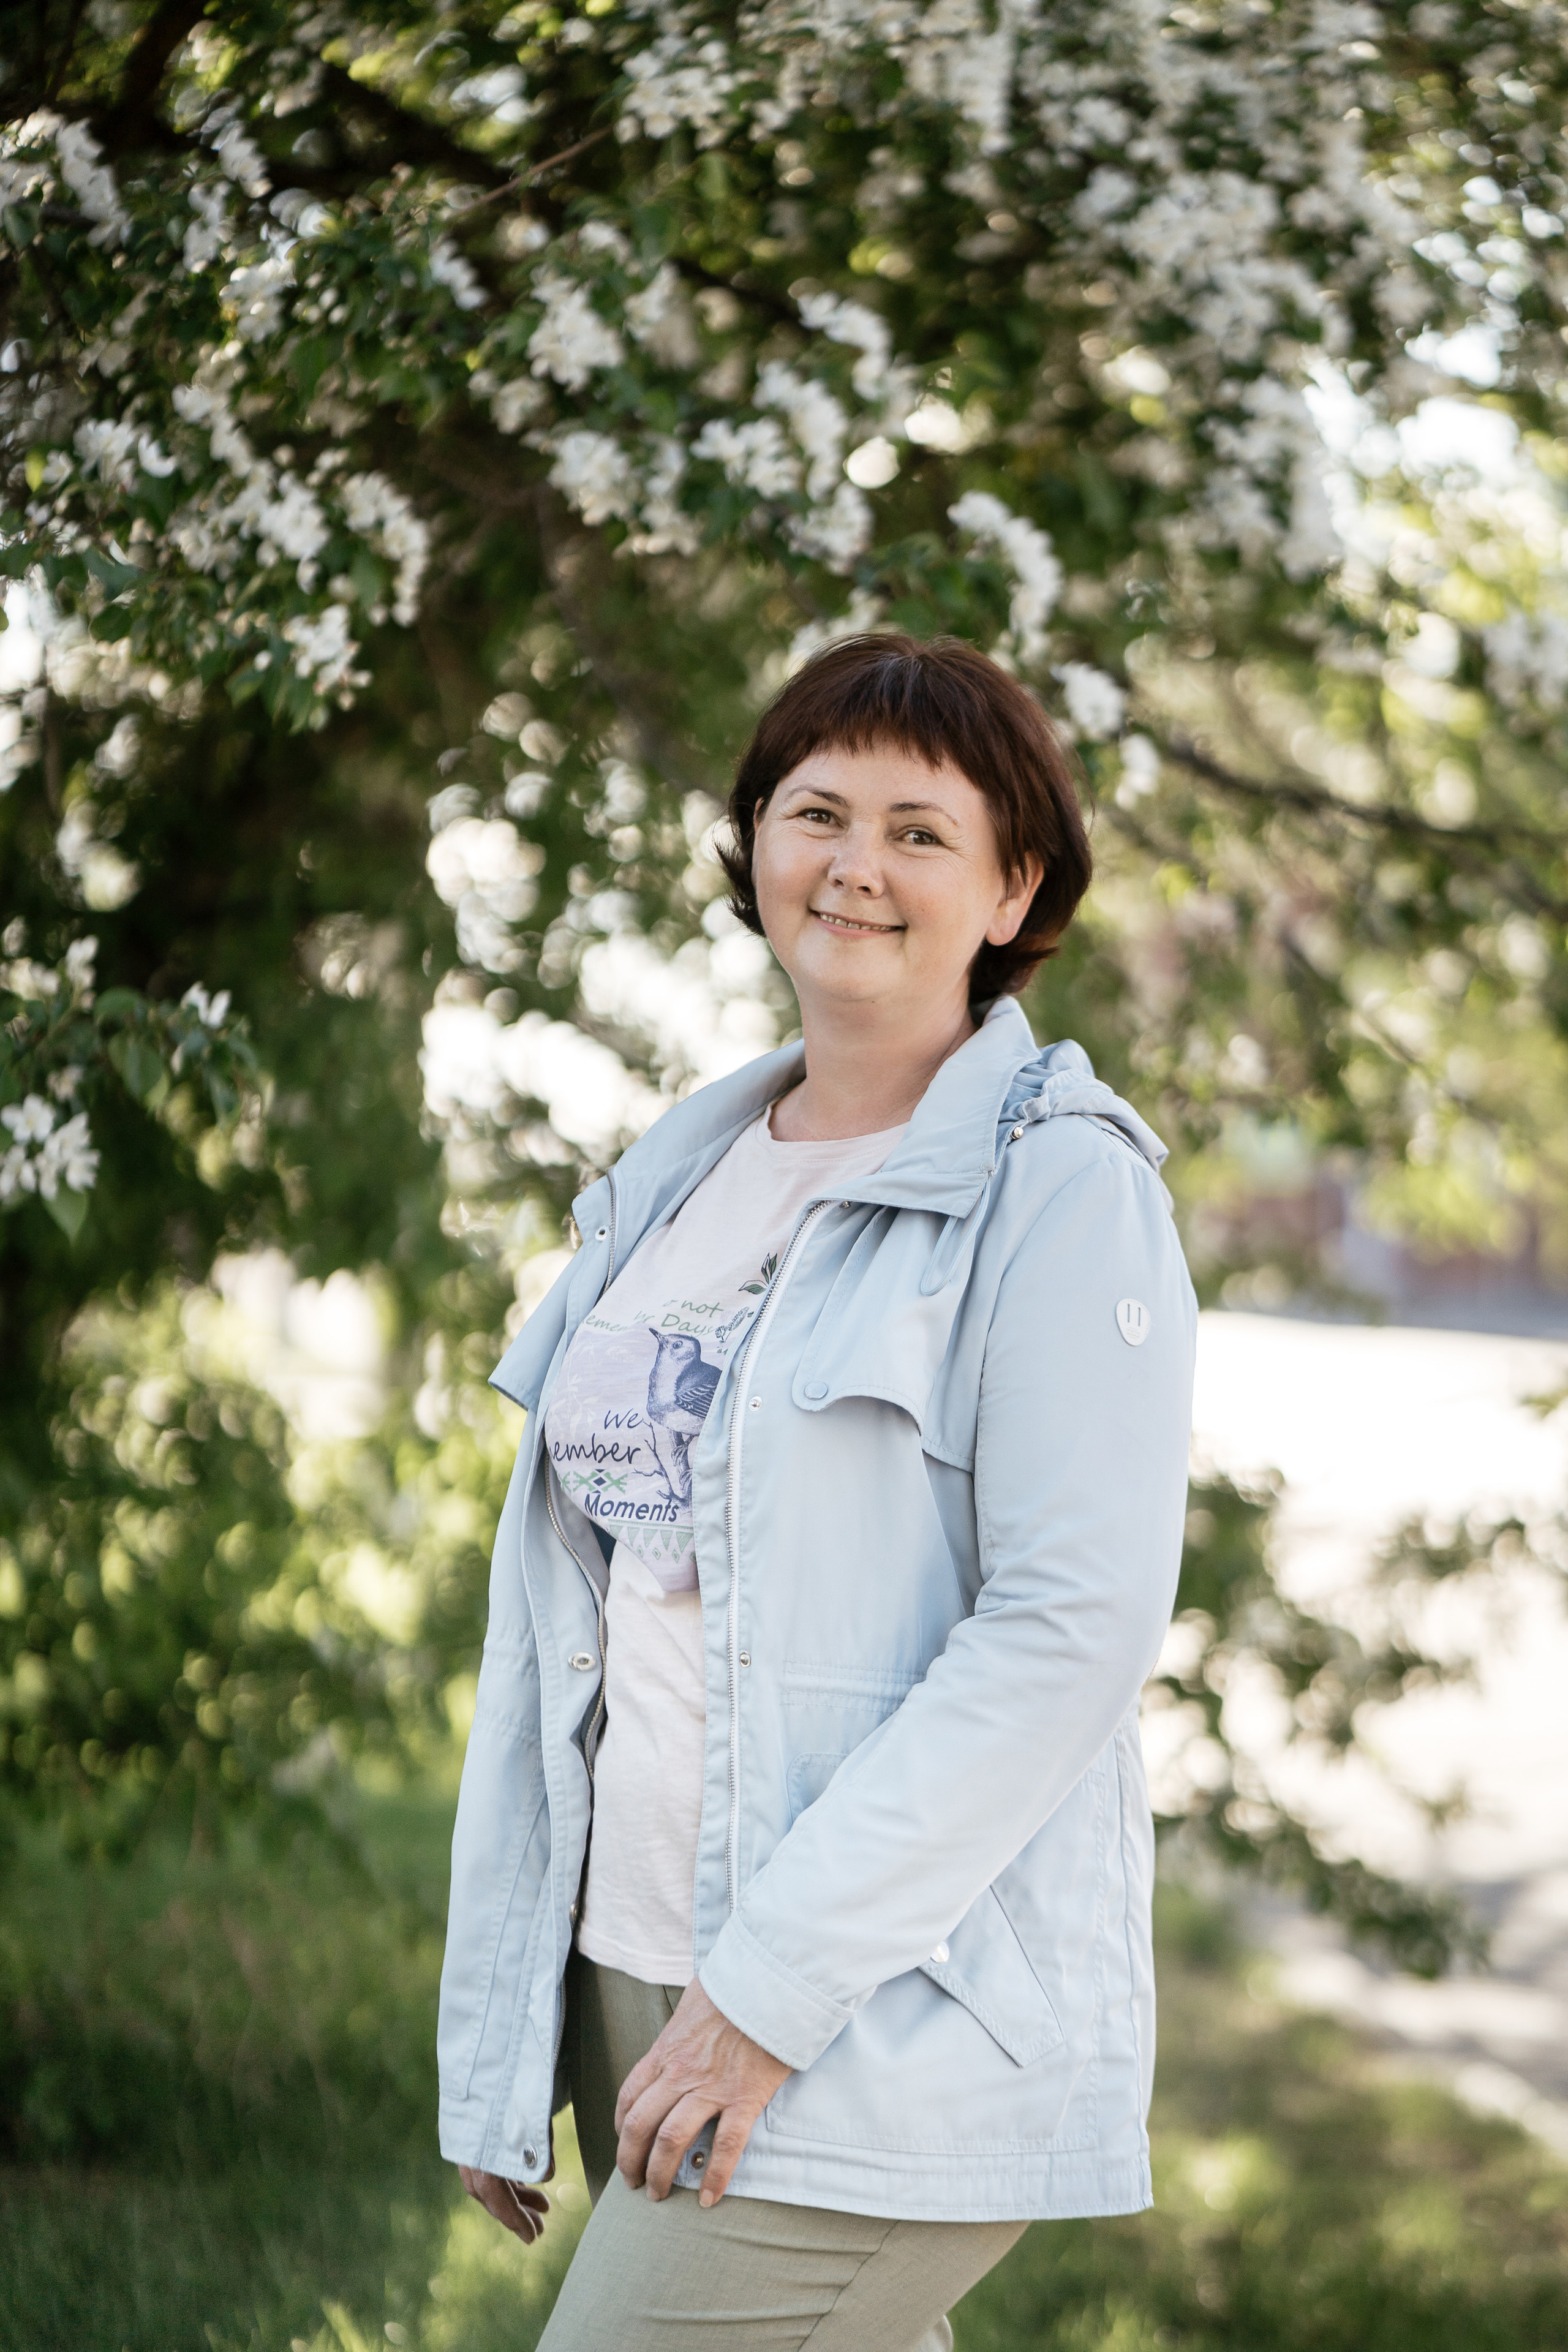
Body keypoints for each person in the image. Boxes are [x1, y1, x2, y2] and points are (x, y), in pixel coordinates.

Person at [437, 633, 1197, 2350]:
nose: (857, 864)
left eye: (921, 832)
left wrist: (767, 2001)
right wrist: (511, 2019)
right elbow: (569, 1618)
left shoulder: (1062, 1192)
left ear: (1015, 890)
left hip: (862, 2010)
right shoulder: (680, 1174)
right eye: (817, 813)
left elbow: (1068, 1635)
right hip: (643, 1965)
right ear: (756, 847)